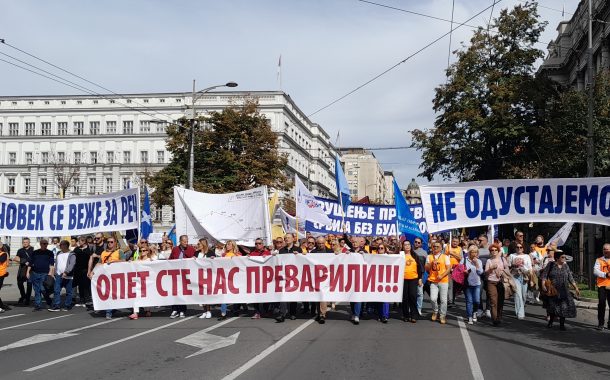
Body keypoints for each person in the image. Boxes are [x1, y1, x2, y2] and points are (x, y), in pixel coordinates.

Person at [541, 251, 580, 330]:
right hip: (553, 290)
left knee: (564, 307)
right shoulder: (551, 265)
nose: (564, 258)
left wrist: (576, 287)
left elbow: (570, 277)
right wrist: (543, 285)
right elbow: (544, 275)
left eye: (565, 257)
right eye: (562, 257)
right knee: (553, 307)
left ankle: (562, 325)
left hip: (564, 290)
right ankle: (551, 322)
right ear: (557, 258)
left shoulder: (566, 266)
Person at [89, 237, 124, 319]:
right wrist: (92, 272)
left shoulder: (119, 251)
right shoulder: (103, 252)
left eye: (111, 242)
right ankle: (109, 311)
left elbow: (124, 261)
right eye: (108, 242)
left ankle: (110, 310)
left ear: (115, 243)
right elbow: (99, 264)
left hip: (116, 276)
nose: (109, 243)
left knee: (114, 294)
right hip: (105, 277)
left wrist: (113, 261)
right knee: (108, 293)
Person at [275, 234, 302, 322]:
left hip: (294, 276)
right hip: (284, 275)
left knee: (293, 294)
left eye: (288, 238)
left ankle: (293, 313)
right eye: (285, 238)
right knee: (283, 294)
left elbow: (303, 260)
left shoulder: (298, 249)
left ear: (293, 239)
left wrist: (299, 255)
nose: (286, 239)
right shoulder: (281, 250)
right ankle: (282, 314)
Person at [169, 235, 196, 318]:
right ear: (180, 241)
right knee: (175, 291)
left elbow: (194, 259)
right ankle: (175, 309)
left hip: (185, 274)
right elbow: (170, 259)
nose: (186, 243)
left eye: (187, 241)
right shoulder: (175, 249)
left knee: (182, 292)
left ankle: (182, 310)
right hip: (176, 273)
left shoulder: (191, 249)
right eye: (184, 241)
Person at [425, 242, 451, 324]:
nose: (435, 247)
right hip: (433, 281)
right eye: (434, 246)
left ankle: (442, 315)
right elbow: (427, 268)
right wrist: (432, 263)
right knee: (433, 298)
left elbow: (449, 269)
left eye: (437, 246)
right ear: (432, 247)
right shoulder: (429, 256)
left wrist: (442, 275)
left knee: (443, 300)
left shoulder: (445, 257)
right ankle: (435, 311)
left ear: (441, 248)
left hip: (443, 281)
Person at [308, 236, 332, 324]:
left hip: (326, 277)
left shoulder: (330, 252)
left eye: (322, 243)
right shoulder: (313, 252)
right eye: (319, 243)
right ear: (316, 244)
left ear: (325, 242)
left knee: (323, 296)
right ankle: (319, 313)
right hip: (316, 277)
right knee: (318, 296)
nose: (321, 245)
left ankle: (322, 315)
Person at [26, 239, 55, 311]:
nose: (45, 245)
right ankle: (38, 305)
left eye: (46, 243)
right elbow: (30, 263)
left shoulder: (50, 253)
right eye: (43, 243)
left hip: (45, 273)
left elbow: (52, 264)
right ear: (40, 244)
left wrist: (50, 273)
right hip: (35, 273)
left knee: (43, 289)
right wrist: (27, 272)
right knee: (36, 290)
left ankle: (48, 301)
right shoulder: (35, 252)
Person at [48, 240, 76, 312]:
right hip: (58, 275)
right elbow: (56, 263)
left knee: (69, 291)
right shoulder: (58, 253)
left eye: (62, 245)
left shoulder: (72, 254)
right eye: (60, 245)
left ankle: (68, 305)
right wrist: (55, 272)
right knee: (56, 290)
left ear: (66, 245)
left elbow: (72, 264)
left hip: (68, 275)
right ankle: (57, 305)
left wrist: (66, 272)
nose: (60, 246)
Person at [218, 240, 241, 321]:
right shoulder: (223, 255)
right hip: (225, 277)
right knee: (224, 295)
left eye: (229, 244)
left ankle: (236, 309)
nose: (227, 246)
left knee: (236, 295)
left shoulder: (238, 255)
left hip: (235, 278)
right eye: (227, 244)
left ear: (233, 246)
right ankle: (223, 313)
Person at [248, 238, 271, 320]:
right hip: (255, 278)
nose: (258, 245)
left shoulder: (267, 253)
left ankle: (266, 311)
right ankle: (257, 312)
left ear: (263, 244)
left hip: (265, 277)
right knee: (255, 296)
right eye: (256, 243)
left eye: (259, 243)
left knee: (266, 295)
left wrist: (268, 257)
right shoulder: (252, 253)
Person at [509, 243, 533, 320]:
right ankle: (520, 313)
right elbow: (508, 266)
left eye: (520, 247)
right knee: (517, 294)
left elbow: (530, 268)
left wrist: (531, 279)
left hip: (524, 276)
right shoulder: (512, 255)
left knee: (523, 295)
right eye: (517, 247)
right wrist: (513, 264)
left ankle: (520, 307)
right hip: (515, 276)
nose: (519, 248)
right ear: (515, 248)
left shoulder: (526, 256)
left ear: (523, 248)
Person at [484, 244, 506, 326]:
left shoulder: (502, 259)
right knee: (493, 301)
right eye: (492, 250)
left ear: (498, 251)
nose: (494, 251)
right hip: (491, 281)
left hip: (501, 282)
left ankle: (499, 317)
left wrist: (502, 271)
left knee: (500, 300)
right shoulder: (489, 261)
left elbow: (507, 269)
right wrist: (491, 268)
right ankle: (495, 319)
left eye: (495, 250)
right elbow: (486, 272)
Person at [401, 240, 422, 323]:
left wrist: (420, 278)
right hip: (403, 279)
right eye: (405, 245)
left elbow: (419, 268)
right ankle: (406, 315)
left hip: (413, 279)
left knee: (413, 296)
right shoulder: (400, 255)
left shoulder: (415, 255)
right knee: (405, 298)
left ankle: (414, 315)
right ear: (402, 246)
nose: (407, 246)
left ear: (410, 246)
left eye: (408, 244)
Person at [464, 245, 484, 325]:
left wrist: (476, 263)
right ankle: (469, 316)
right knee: (469, 301)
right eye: (472, 252)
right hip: (467, 283)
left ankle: (475, 312)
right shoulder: (464, 260)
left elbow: (480, 272)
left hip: (477, 283)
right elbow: (459, 269)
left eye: (476, 252)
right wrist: (464, 271)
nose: (474, 254)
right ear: (469, 252)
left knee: (477, 300)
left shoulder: (479, 261)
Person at [593, 243, 610, 330]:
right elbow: (595, 271)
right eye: (604, 249)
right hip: (602, 285)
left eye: (607, 249)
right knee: (602, 304)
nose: (606, 251)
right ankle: (601, 323)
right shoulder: (599, 260)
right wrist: (606, 274)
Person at [73, 236, 92, 309]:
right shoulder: (76, 249)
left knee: (86, 285)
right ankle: (81, 300)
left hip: (85, 269)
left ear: (84, 241)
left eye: (80, 241)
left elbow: (91, 258)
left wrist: (89, 270)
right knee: (80, 285)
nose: (78, 242)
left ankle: (87, 300)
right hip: (78, 270)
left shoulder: (88, 248)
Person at [13, 237, 34, 305]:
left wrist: (29, 262)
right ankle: (23, 296)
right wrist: (24, 261)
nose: (25, 243)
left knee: (29, 283)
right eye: (24, 242)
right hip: (22, 268)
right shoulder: (20, 250)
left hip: (31, 268)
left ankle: (27, 299)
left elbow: (35, 258)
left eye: (26, 242)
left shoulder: (33, 249)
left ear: (29, 243)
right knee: (19, 283)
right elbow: (16, 258)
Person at [413, 237, 427, 316]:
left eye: (418, 242)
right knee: (411, 294)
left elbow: (425, 266)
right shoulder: (409, 251)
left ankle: (418, 309)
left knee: (420, 294)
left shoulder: (424, 253)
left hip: (420, 276)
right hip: (411, 275)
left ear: (421, 244)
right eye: (415, 242)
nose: (417, 243)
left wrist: (422, 278)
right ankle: (411, 308)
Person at [446, 236, 463, 307]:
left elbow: (460, 257)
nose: (455, 243)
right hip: (448, 268)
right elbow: (444, 256)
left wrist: (452, 253)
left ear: (458, 242)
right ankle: (450, 301)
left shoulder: (460, 249)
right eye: (453, 241)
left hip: (457, 269)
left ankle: (452, 299)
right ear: (451, 241)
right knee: (450, 285)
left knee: (456, 286)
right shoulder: (447, 247)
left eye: (456, 241)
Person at [0, 244, 9, 312]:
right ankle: (2, 306)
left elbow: (1, 261)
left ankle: (2, 306)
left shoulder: (4, 254)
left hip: (1, 275)